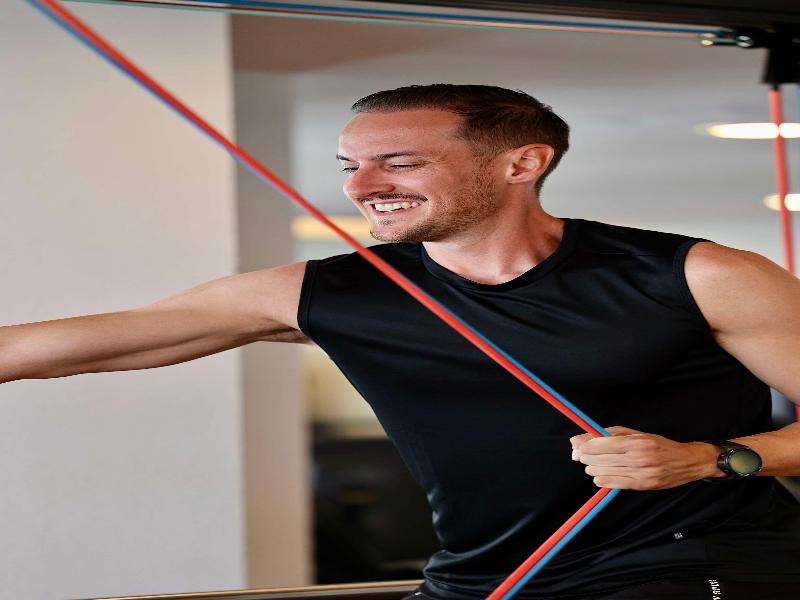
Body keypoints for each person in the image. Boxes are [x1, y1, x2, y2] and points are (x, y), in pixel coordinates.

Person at [2, 84, 800, 599]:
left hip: (687, 560)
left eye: (400, 162)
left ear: (523, 163)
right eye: (350, 165)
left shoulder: (696, 274)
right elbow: (97, 341)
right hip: (479, 577)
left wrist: (713, 458)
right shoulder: (335, 292)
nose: (361, 187)